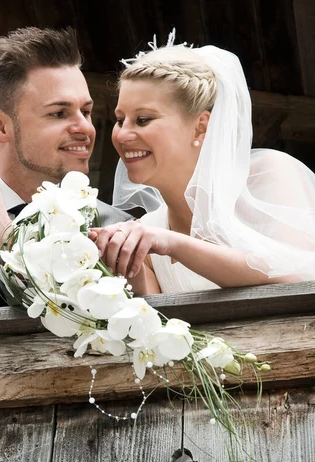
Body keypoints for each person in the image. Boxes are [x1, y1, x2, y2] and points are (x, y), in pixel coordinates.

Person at [0, 26, 130, 314]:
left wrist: (9, 244)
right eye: (59, 113)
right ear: (0, 125)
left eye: (87, 111)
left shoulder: (115, 229)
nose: (85, 128)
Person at [90, 34, 315, 295]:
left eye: (142, 120)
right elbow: (157, 328)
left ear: (200, 127)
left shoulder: (267, 174)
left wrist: (174, 244)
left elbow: (301, 275)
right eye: (120, 120)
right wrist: (118, 260)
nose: (122, 135)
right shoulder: (147, 237)